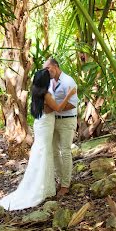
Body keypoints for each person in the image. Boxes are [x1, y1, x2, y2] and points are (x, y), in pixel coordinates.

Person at [0, 69, 76, 211]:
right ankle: (44, 188)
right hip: (45, 127)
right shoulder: (46, 94)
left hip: (40, 124)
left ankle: (45, 185)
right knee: (45, 152)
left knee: (41, 152)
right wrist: (69, 95)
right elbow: (58, 108)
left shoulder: (35, 92)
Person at [43, 58, 78, 198]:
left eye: (48, 68)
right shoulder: (50, 82)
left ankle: (65, 185)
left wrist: (55, 108)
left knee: (66, 151)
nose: (47, 71)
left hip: (67, 121)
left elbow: (73, 104)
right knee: (54, 152)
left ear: (55, 66)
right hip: (53, 121)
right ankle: (61, 178)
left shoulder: (68, 81)